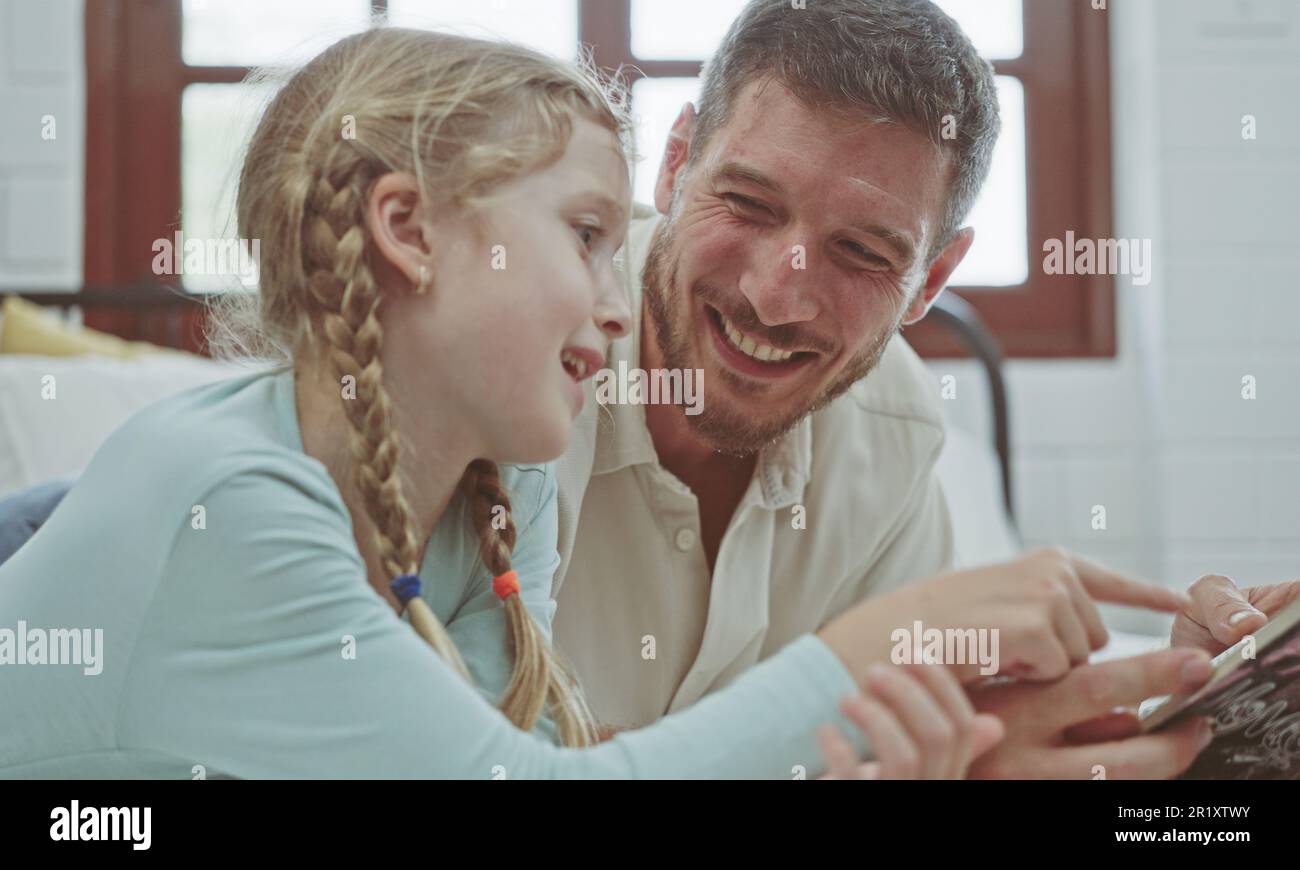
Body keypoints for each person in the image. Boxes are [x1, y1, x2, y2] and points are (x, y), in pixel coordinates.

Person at [0, 25, 1080, 779]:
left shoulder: (495, 490)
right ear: (408, 232)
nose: (620, 316)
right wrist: (860, 659)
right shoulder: (231, 507)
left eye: (858, 250)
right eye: (587, 239)